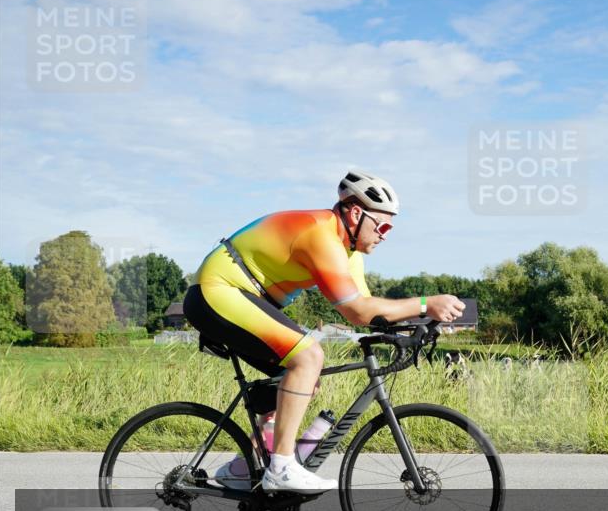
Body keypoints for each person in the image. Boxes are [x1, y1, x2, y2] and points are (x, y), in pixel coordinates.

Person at [182, 170, 465, 493]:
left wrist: (417, 325)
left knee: (304, 379)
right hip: (217, 291)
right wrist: (427, 303)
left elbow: (369, 310)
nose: (386, 235)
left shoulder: (349, 252)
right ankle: (282, 467)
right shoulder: (321, 235)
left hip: (246, 297)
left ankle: (242, 467)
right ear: (357, 213)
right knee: (308, 356)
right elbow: (355, 310)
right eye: (383, 225)